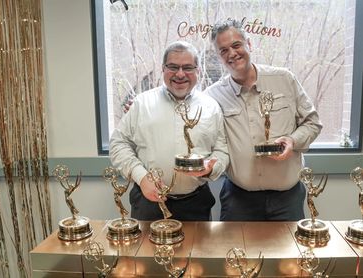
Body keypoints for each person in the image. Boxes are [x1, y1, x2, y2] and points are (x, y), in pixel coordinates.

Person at [205, 18, 323, 221]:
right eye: (223, 50)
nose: (232, 54)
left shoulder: (284, 79)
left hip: (287, 199)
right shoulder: (212, 96)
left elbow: (313, 123)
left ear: (249, 44)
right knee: (237, 253)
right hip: (238, 200)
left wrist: (292, 141)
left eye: (236, 45)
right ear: (218, 57)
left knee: (289, 253)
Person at [109, 41, 229, 221]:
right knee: (145, 250)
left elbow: (222, 150)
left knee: (196, 250)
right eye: (173, 67)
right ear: (163, 69)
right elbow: (119, 143)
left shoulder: (211, 107)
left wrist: (210, 169)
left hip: (196, 204)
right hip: (148, 203)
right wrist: (141, 177)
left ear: (198, 70)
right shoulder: (142, 104)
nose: (180, 74)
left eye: (188, 67)